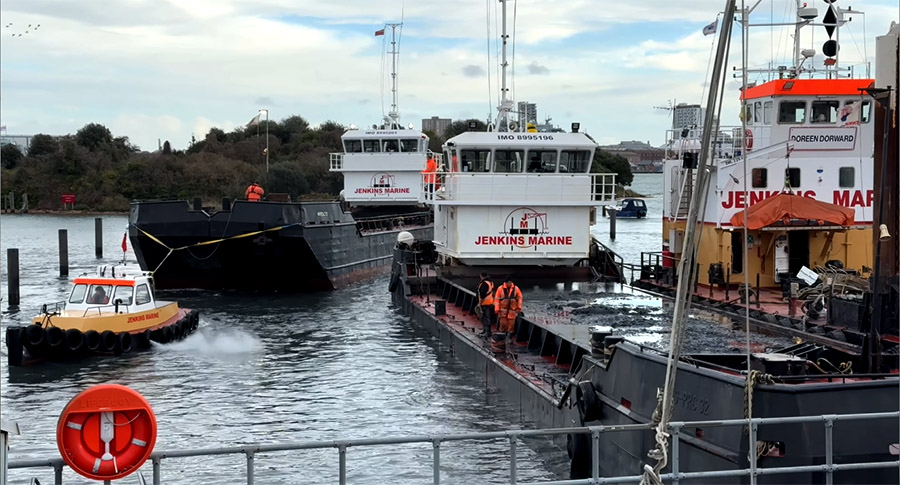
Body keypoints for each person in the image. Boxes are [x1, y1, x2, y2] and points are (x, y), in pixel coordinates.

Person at [476, 272, 495, 337]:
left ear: (481, 276)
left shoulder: (484, 283)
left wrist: (479, 304)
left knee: (485, 317)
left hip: (485, 303)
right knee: (487, 317)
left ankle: (487, 331)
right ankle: (485, 330)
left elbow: (482, 295)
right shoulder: (490, 282)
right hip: (490, 302)